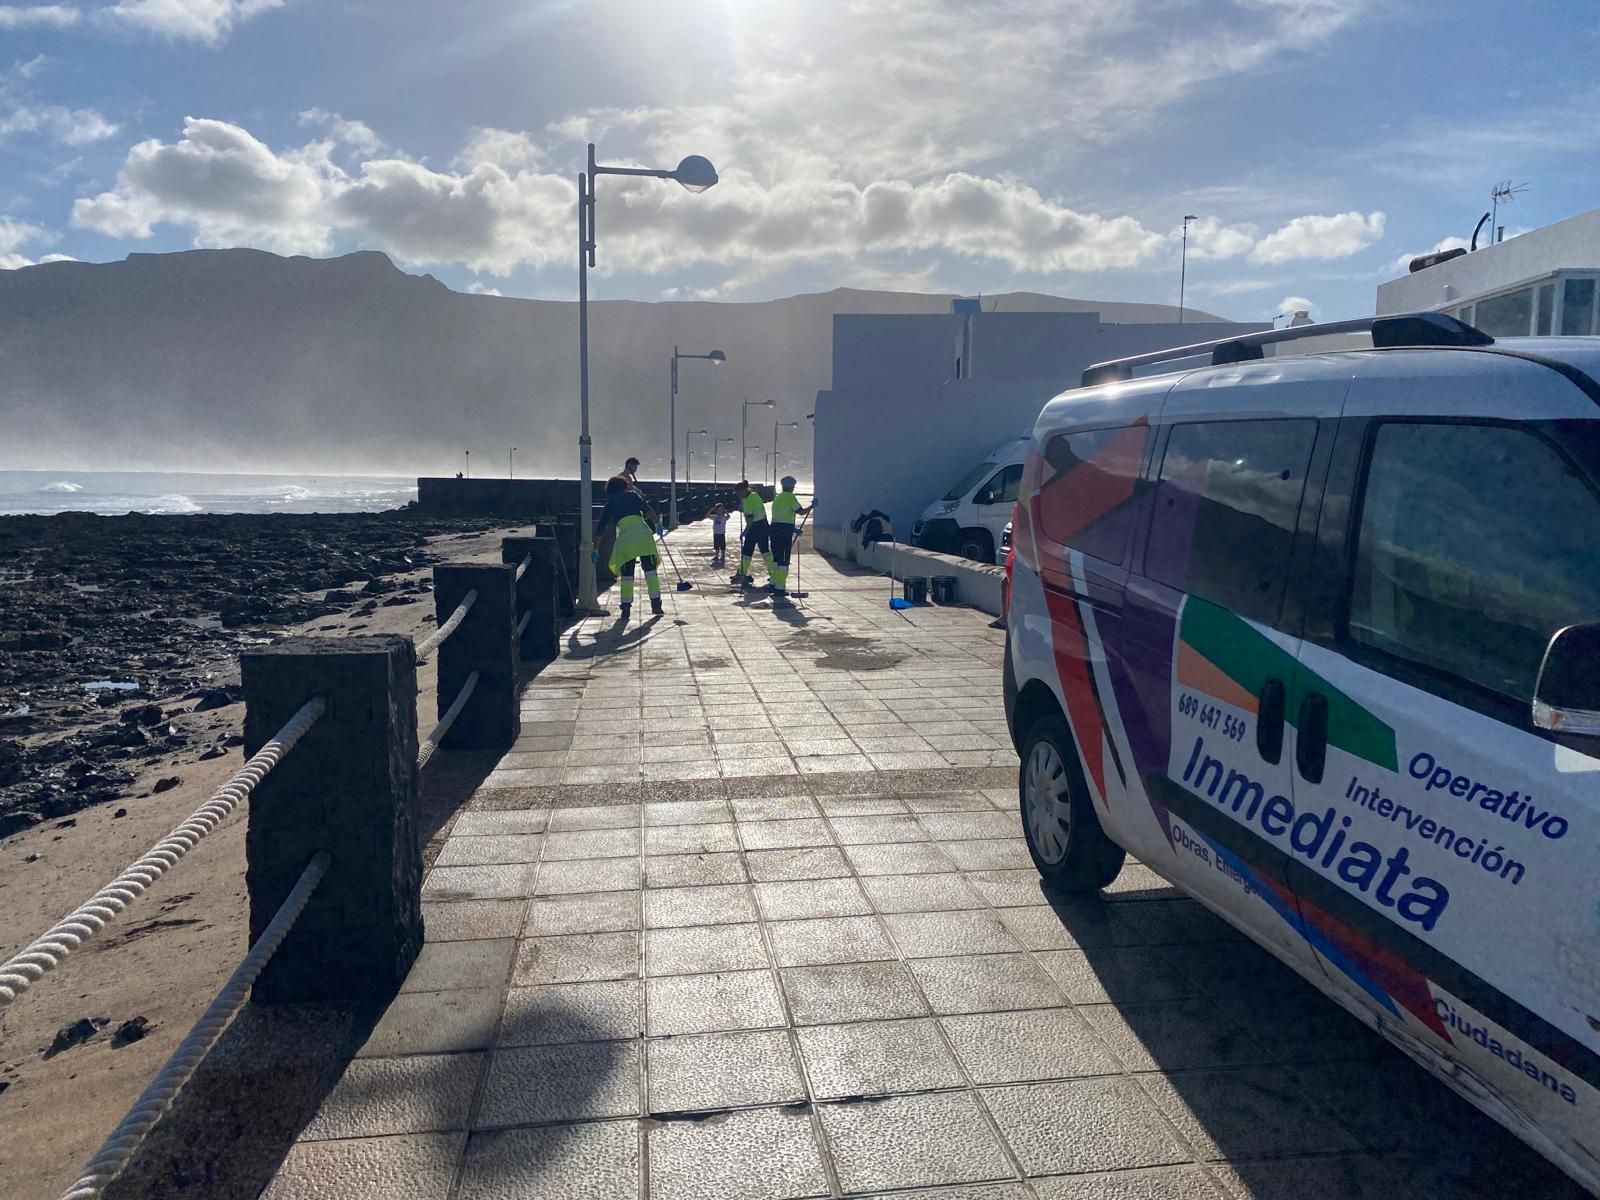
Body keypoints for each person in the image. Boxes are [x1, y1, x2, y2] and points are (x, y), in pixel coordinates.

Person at [593, 476, 663, 620]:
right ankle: (656, 603)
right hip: (643, 534)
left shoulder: (610, 503)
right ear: (624, 486)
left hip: (626, 539)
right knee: (650, 572)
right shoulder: (633, 496)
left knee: (627, 575)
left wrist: (595, 549)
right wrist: (658, 525)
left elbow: (601, 527)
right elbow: (649, 511)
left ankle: (625, 607)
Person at [769, 476, 812, 599]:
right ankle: (780, 588)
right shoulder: (791, 497)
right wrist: (812, 506)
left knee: (776, 558)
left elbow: (779, 517)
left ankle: (773, 583)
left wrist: (794, 529)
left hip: (774, 530)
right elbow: (801, 512)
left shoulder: (777, 498)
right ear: (792, 487)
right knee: (783, 559)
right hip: (784, 532)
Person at [732, 480, 773, 588]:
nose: (738, 495)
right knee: (764, 550)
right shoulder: (753, 496)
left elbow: (750, 519)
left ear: (744, 490)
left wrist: (745, 531)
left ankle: (742, 573)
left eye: (739, 492)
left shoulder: (749, 499)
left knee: (747, 550)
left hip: (756, 526)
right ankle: (773, 572)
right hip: (764, 525)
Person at [709, 502, 729, 567]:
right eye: (718, 510)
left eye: (721, 510)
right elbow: (707, 516)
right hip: (716, 533)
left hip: (721, 533)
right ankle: (716, 555)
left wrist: (725, 511)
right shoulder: (715, 517)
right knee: (716, 545)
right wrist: (711, 510)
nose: (719, 511)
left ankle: (723, 556)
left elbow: (728, 517)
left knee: (722, 545)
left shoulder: (723, 517)